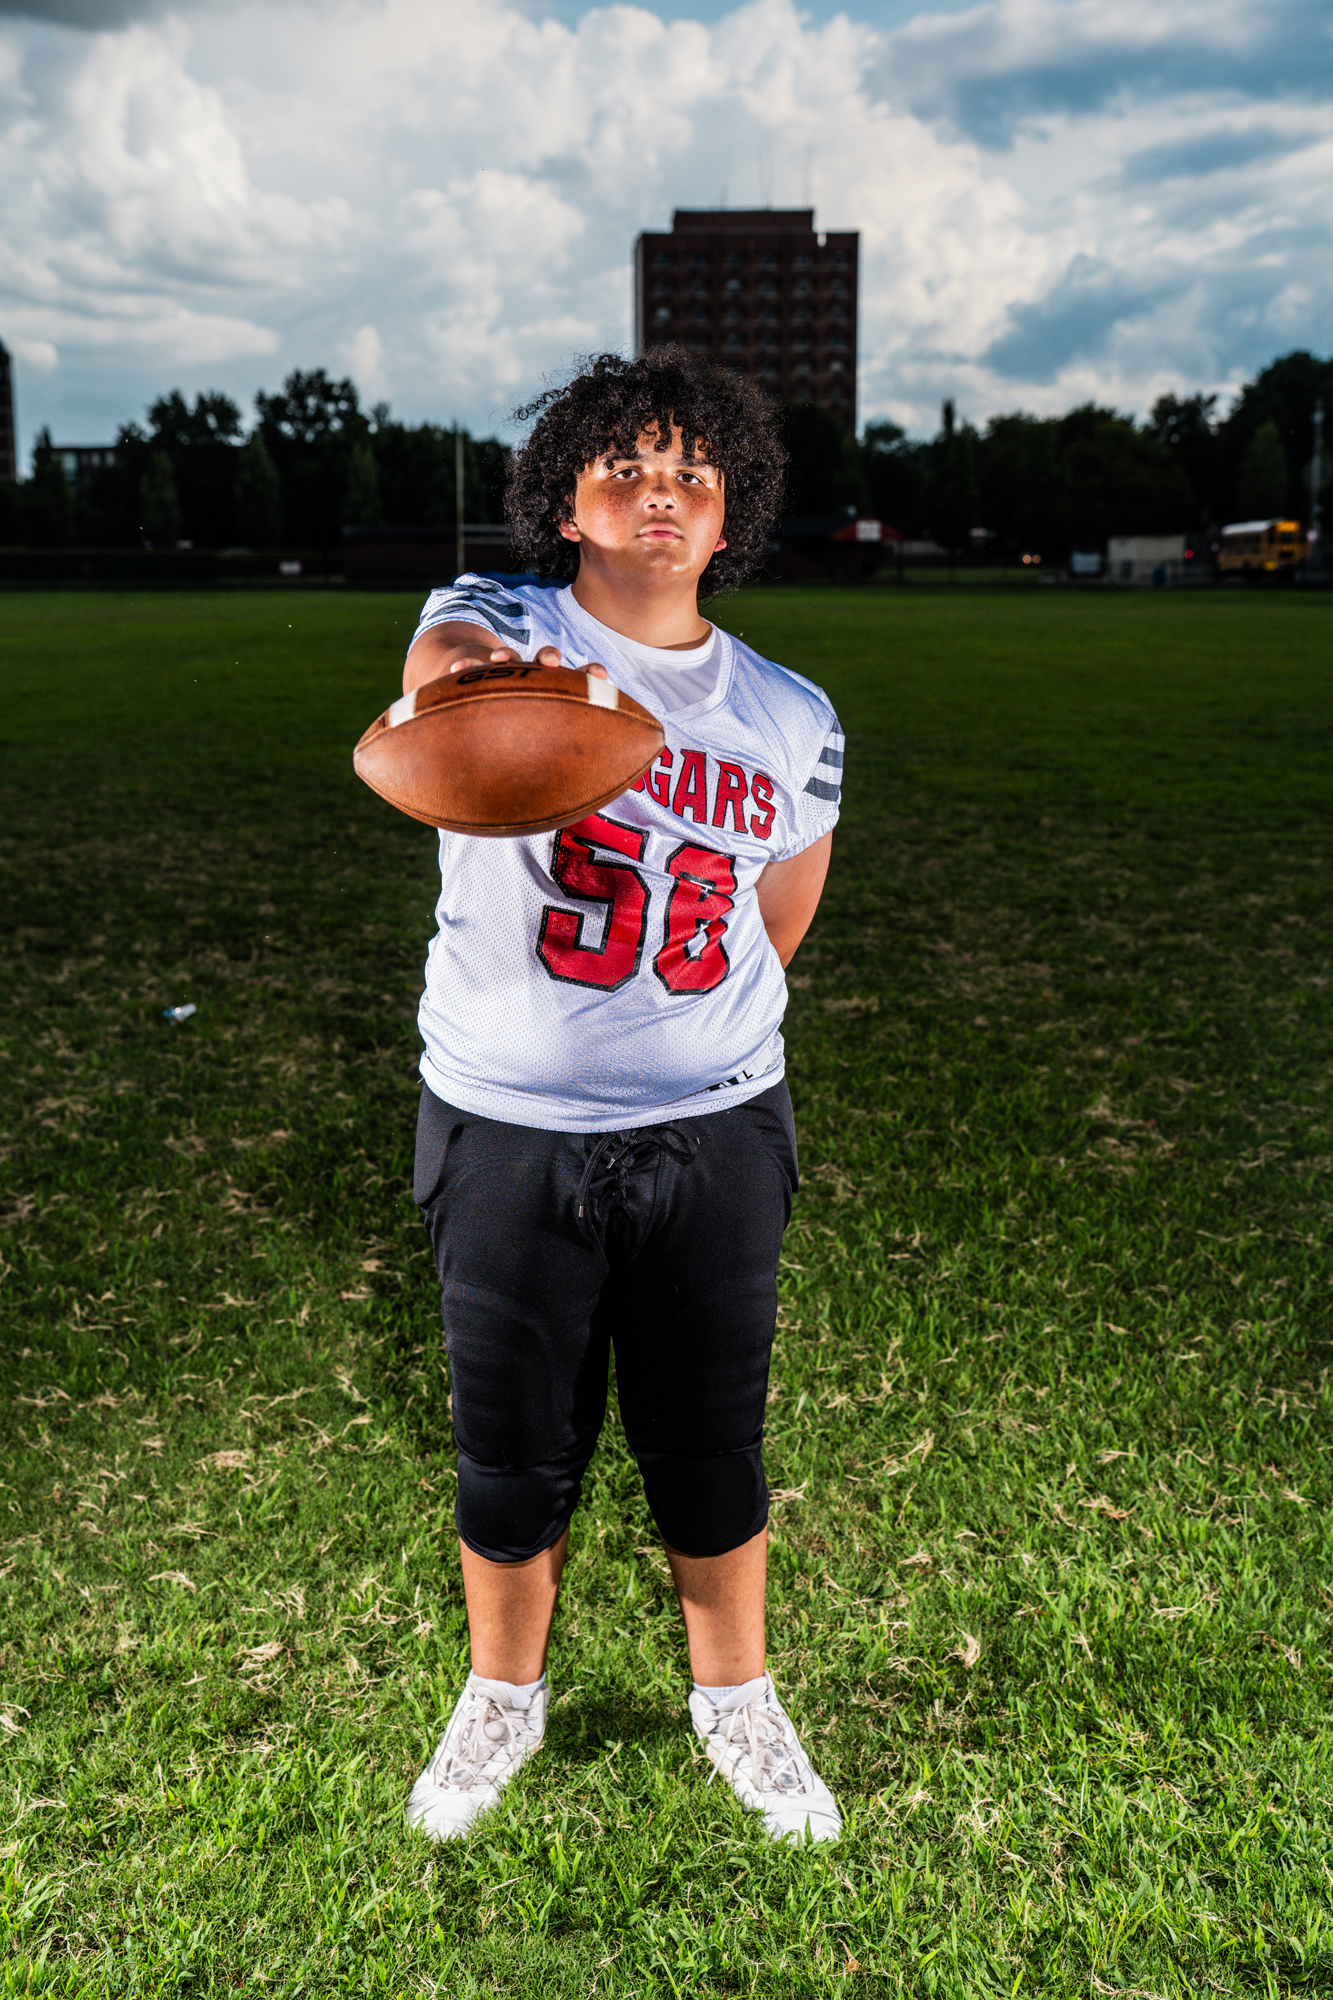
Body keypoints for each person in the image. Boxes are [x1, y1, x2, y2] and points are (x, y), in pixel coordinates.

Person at [402, 348, 844, 1846]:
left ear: (730, 516)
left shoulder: (791, 713)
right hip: (506, 1120)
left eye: (694, 476)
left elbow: (777, 919)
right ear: (567, 501)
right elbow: (444, 672)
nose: (664, 495)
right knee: (509, 1444)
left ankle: (738, 1700)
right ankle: (501, 1695)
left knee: (709, 1434)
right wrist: (485, 690)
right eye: (628, 469)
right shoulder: (501, 621)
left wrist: (678, 1038)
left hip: (716, 1122)